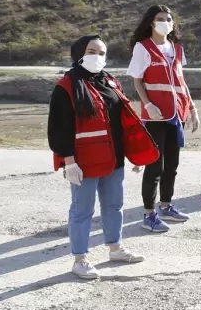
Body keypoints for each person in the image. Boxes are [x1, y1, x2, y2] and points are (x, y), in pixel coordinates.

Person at [49, 35, 157, 279]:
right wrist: (69, 161)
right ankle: (80, 259)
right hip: (83, 161)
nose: (97, 57)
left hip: (114, 158)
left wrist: (135, 154)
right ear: (78, 53)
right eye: (91, 51)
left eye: (101, 53)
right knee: (82, 210)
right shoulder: (66, 86)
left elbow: (125, 122)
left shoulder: (110, 82)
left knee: (114, 206)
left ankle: (115, 248)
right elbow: (59, 128)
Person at [127, 4, 199, 233]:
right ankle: (149, 214)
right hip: (155, 116)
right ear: (151, 22)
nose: (165, 22)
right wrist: (147, 104)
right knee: (154, 166)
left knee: (172, 165)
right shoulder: (143, 48)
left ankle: (166, 205)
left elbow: (181, 81)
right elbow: (138, 80)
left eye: (169, 19)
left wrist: (193, 108)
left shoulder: (176, 49)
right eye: (160, 18)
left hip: (176, 113)